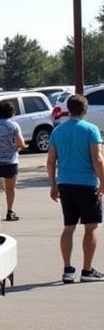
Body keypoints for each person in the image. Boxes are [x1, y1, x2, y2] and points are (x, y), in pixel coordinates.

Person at [47, 93, 104, 283]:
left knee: (69, 227)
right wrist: (103, 180)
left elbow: (50, 161)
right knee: (91, 227)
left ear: (68, 110)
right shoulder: (91, 130)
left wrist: (53, 184)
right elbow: (97, 159)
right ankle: (87, 270)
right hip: (87, 184)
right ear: (85, 109)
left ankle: (67, 269)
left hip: (66, 183)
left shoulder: (57, 131)